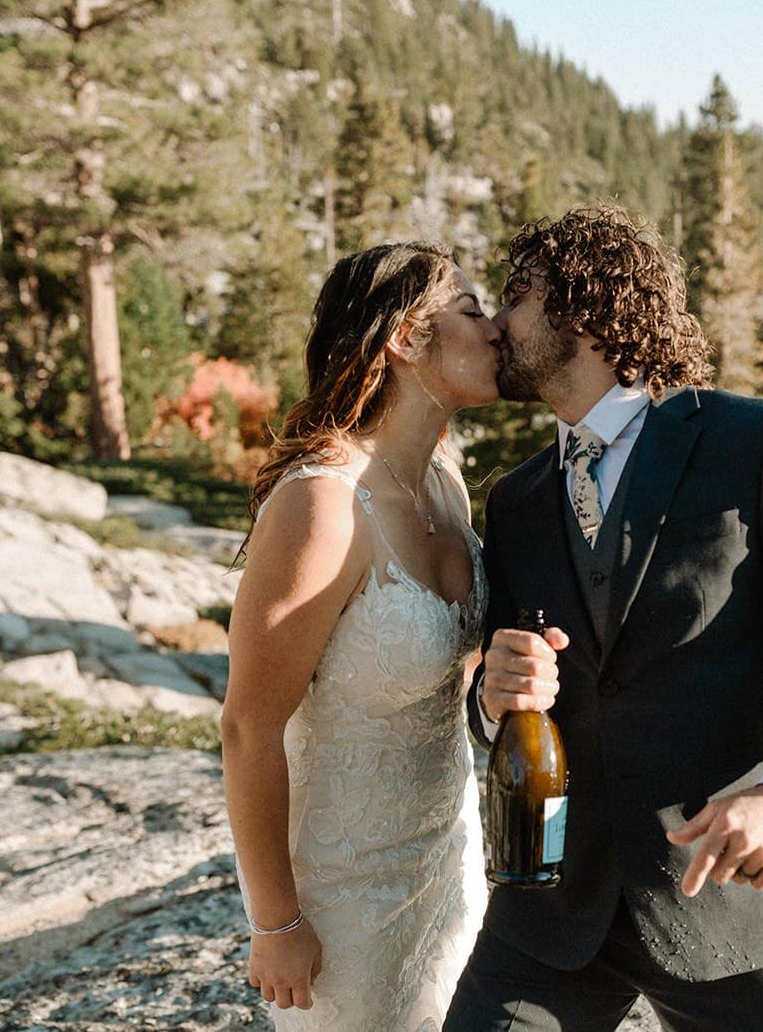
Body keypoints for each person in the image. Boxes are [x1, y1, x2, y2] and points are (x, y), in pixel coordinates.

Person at [444, 205, 763, 1031]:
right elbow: (511, 697)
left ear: (586, 312)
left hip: (734, 900)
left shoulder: (757, 441)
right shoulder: (516, 500)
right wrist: (490, 699)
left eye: (515, 296)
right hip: (554, 912)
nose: (494, 325)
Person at [221, 241, 503, 1029]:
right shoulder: (321, 505)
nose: (497, 332)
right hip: (343, 899)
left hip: (450, 862)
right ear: (405, 339)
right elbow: (249, 726)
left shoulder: (444, 484)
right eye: (474, 313)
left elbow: (454, 668)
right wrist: (275, 921)